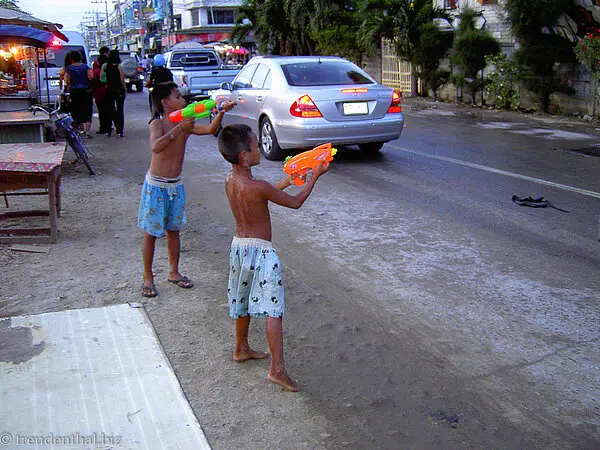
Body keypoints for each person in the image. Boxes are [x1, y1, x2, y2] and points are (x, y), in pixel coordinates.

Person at [217, 124, 329, 392]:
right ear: (244, 155)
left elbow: (261, 196)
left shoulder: (231, 181)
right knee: (273, 309)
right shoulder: (259, 186)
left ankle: (241, 348)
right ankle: (277, 370)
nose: (259, 149)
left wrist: (287, 181)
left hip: (239, 247)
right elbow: (294, 203)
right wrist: (314, 176)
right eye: (256, 146)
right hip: (261, 251)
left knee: (242, 300)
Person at [137, 81, 235, 298]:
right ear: (165, 102)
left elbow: (210, 129)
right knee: (151, 233)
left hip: (175, 185)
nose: (183, 100)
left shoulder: (185, 122)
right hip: (157, 185)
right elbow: (155, 147)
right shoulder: (158, 124)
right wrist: (176, 131)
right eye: (178, 97)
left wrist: (221, 112)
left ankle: (174, 272)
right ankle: (148, 276)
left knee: (174, 230)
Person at [64, 50, 94, 138]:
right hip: (86, 91)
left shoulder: (69, 68)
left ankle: (82, 130)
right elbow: (91, 77)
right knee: (87, 110)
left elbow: (68, 82)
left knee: (77, 110)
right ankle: (88, 131)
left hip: (74, 91)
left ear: (71, 59)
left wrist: (68, 93)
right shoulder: (85, 67)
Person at [103, 49, 127, 137]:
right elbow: (122, 80)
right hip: (118, 90)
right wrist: (125, 89)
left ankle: (109, 129)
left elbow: (102, 79)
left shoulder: (105, 66)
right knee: (120, 110)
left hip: (108, 90)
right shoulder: (118, 67)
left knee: (109, 109)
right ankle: (119, 130)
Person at [92, 47, 110, 135]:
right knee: (108, 109)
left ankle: (103, 127)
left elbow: (93, 81)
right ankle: (108, 126)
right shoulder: (108, 68)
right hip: (107, 91)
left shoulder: (96, 70)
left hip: (99, 93)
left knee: (101, 111)